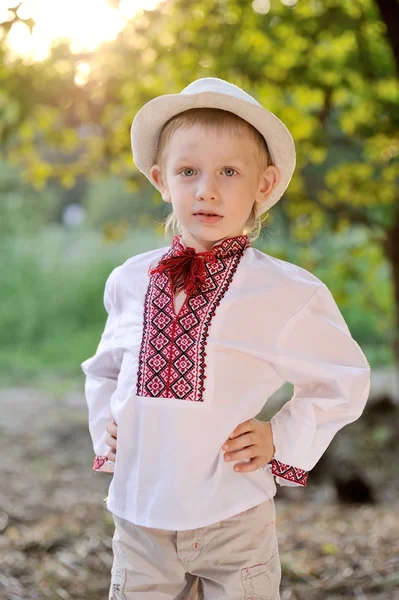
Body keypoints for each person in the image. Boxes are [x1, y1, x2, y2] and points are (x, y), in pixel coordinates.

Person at [81, 77, 371, 600]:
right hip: (140, 517)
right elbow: (103, 370)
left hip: (233, 517)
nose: (206, 189)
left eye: (229, 172)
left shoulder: (285, 292)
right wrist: (109, 426)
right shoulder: (129, 279)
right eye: (187, 171)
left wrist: (280, 437)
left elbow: (344, 380)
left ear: (264, 184)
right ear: (161, 180)